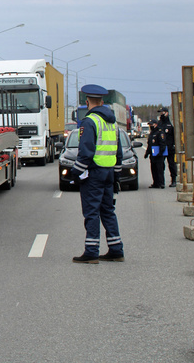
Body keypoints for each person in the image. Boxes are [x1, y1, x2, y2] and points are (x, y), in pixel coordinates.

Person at [68, 84, 124, 264]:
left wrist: (75, 173)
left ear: (87, 101)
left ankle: (91, 252)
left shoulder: (90, 122)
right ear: (101, 101)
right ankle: (116, 250)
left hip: (93, 174)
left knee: (92, 213)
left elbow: (86, 152)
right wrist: (116, 176)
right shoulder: (112, 122)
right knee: (108, 211)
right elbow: (118, 153)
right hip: (108, 173)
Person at [144, 119, 167, 188]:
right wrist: (147, 153)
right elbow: (149, 144)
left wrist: (160, 153)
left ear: (155, 124)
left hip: (159, 155)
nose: (150, 126)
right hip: (153, 154)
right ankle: (156, 183)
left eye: (151, 124)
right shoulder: (152, 133)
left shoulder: (160, 133)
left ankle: (161, 183)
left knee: (159, 169)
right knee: (153, 169)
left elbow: (162, 144)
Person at [158, 107, 178, 187]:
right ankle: (161, 182)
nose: (161, 114)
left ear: (166, 113)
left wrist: (174, 145)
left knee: (171, 164)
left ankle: (174, 180)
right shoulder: (160, 123)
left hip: (170, 147)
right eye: (160, 113)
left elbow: (175, 135)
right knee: (160, 165)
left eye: (162, 112)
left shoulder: (170, 124)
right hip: (162, 147)